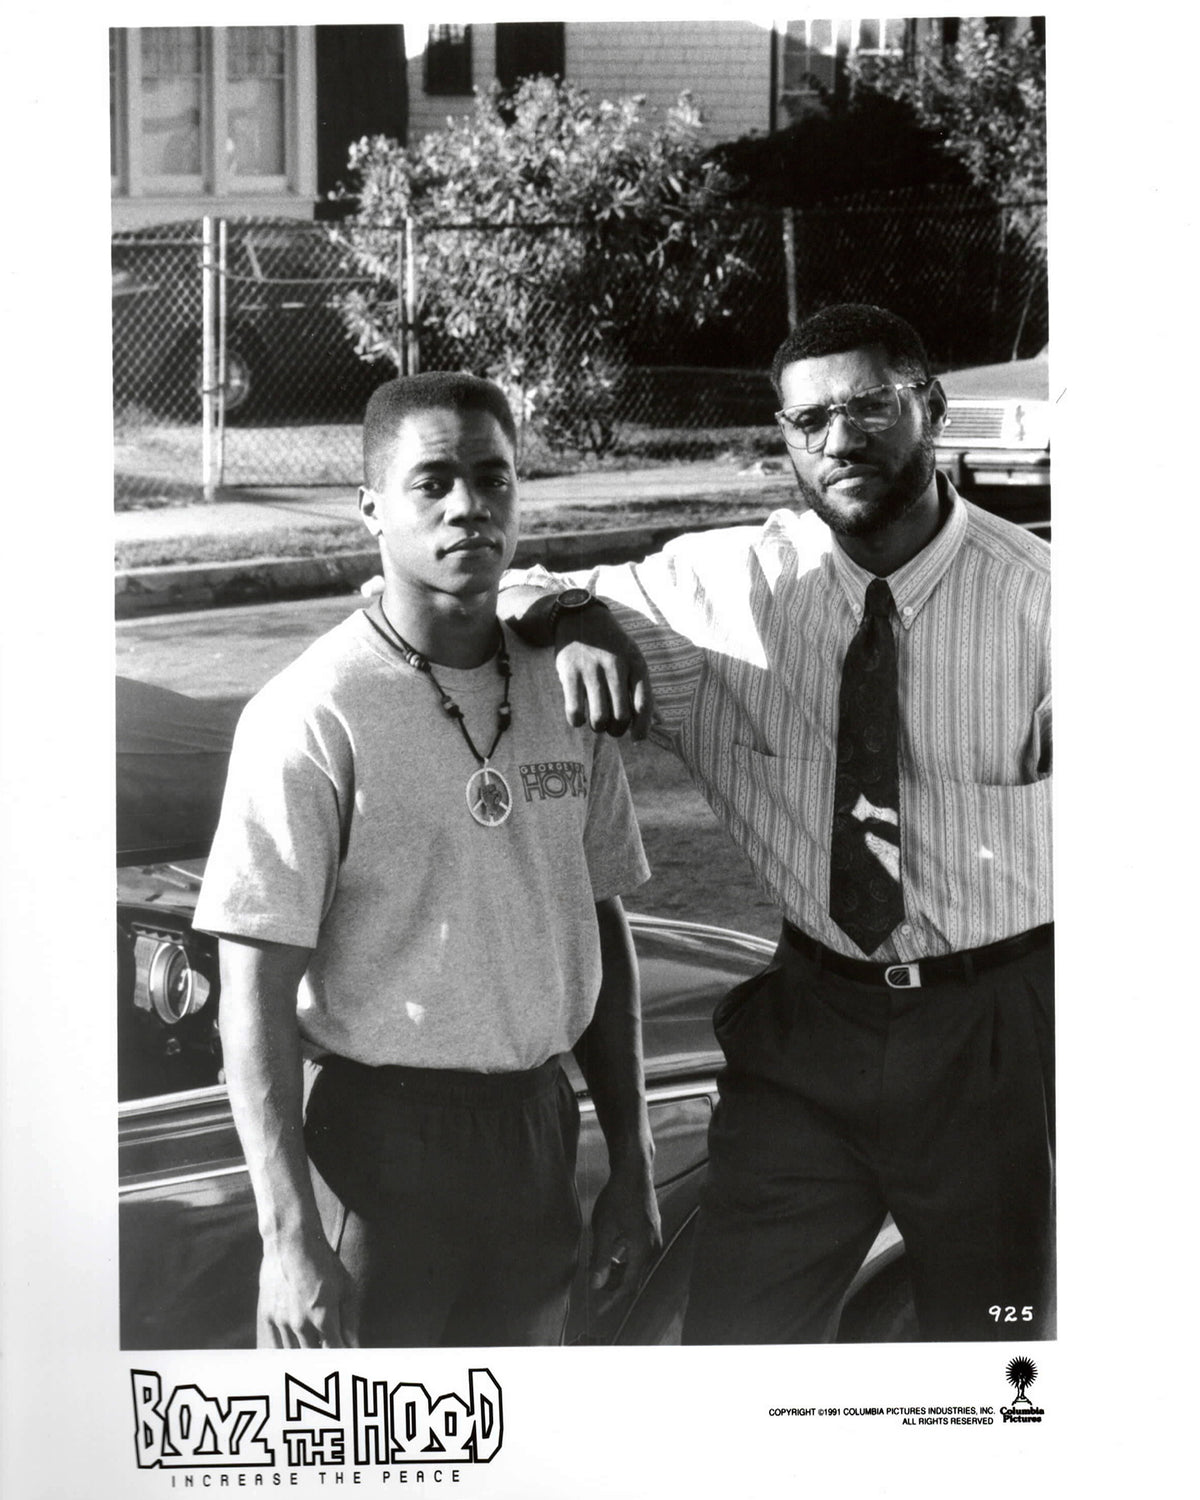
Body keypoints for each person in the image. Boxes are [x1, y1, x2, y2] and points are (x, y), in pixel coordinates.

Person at [500, 303, 1052, 1343]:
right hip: (811, 1025)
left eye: (869, 407)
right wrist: (570, 618)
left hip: (995, 1033)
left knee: (995, 1351)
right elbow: (501, 585)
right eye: (809, 422)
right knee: (737, 1337)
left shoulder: (1047, 607)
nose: (839, 440)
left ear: (928, 406)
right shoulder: (728, 586)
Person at [193, 372, 660, 1349]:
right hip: (380, 1148)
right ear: (370, 505)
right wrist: (289, 1238)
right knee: (371, 1446)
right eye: (434, 482)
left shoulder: (567, 687)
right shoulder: (314, 709)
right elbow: (253, 989)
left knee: (517, 1445)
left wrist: (632, 1160)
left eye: (494, 480)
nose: (469, 508)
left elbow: (598, 918)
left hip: (537, 1132)